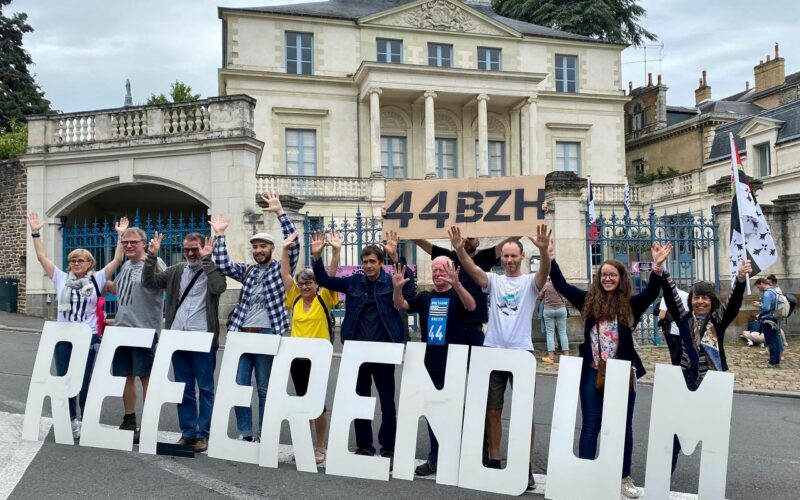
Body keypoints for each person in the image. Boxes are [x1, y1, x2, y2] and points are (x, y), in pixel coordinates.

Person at [549, 238, 672, 499]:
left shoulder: (630, 305)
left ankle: (623, 476)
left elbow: (651, 293)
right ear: (599, 278)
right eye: (604, 274)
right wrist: (548, 256)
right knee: (591, 425)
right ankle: (585, 473)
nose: (607, 278)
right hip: (593, 371)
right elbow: (561, 285)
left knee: (623, 426)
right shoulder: (587, 301)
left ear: (620, 278)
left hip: (622, 373)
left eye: (612, 275)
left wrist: (658, 267)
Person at [451, 224, 551, 491]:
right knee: (492, 411)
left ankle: (525, 466)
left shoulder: (530, 282)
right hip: (494, 351)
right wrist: (460, 250)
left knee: (524, 413)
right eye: (505, 256)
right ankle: (494, 461)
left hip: (521, 353)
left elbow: (544, 271)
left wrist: (543, 251)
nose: (508, 260)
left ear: (520, 257)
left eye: (513, 256)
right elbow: (472, 271)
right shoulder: (494, 281)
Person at [312, 230, 415, 459]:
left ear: (381, 263)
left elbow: (409, 289)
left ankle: (389, 448)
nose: (368, 265)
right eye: (365, 262)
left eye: (372, 262)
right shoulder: (354, 282)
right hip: (356, 352)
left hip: (384, 351)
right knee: (359, 401)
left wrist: (396, 257)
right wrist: (317, 258)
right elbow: (324, 280)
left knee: (387, 403)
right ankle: (364, 446)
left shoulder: (391, 281)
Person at [27, 212, 128, 439]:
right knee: (64, 379)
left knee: (83, 380)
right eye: (73, 260)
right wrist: (35, 232)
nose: (75, 263)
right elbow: (42, 257)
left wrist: (120, 237)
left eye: (80, 260)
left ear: (89, 263)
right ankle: (71, 419)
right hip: (63, 336)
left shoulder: (98, 279)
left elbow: (117, 261)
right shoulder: (61, 278)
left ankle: (85, 417)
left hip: (88, 336)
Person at [211, 192, 299, 442]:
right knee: (239, 386)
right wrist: (219, 235)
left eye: (263, 247)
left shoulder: (279, 269)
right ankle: (245, 432)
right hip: (241, 334)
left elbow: (293, 247)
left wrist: (281, 213)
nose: (258, 251)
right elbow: (222, 265)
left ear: (272, 248)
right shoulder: (248, 270)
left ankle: (265, 432)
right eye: (256, 247)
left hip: (267, 334)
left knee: (264, 387)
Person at [141, 232, 226, 453]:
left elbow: (219, 288)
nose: (190, 253)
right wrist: (151, 257)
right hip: (177, 336)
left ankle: (202, 435)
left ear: (204, 248)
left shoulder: (211, 270)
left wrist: (207, 261)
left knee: (205, 388)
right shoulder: (176, 270)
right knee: (183, 388)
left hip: (203, 338)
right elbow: (148, 282)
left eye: (195, 249)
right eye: (187, 249)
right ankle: (188, 433)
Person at [662, 260, 750, 473]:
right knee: (675, 434)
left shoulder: (717, 320)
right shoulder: (684, 319)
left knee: (714, 439)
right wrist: (663, 271)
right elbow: (672, 298)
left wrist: (739, 280)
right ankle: (664, 479)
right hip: (686, 383)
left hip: (713, 384)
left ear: (712, 301)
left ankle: (712, 482)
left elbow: (733, 305)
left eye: (705, 298)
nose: (700, 302)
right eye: (696, 297)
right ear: (691, 300)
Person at [391, 256, 476, 476]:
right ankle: (435, 457)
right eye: (435, 270)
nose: (438, 274)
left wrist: (457, 284)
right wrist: (398, 289)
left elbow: (471, 306)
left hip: (454, 363)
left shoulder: (457, 295)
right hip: (430, 363)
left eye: (442, 270)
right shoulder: (425, 297)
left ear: (451, 271)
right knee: (433, 412)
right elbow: (400, 304)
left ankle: (459, 456)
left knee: (456, 411)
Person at [280, 230, 341, 464]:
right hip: (297, 360)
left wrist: (334, 251)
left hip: (318, 359)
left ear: (317, 285)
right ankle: (305, 444)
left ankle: (319, 446)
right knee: (301, 402)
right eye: (302, 283)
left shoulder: (324, 297)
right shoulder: (294, 298)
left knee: (317, 404)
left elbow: (332, 274)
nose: (305, 286)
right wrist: (285, 249)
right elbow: (285, 273)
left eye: (309, 283)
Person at [406, 227, 518, 347]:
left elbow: (509, 242)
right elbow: (420, 242)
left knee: (476, 364)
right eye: (462, 237)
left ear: (478, 242)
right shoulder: (448, 256)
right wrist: (396, 220)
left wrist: (532, 221)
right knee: (451, 364)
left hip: (474, 325)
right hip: (451, 324)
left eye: (470, 238)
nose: (465, 240)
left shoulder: (485, 256)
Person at [113, 225, 167, 443]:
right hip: (123, 330)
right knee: (127, 376)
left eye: (133, 242)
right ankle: (129, 419)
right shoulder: (126, 264)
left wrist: (154, 257)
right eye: (125, 242)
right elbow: (122, 291)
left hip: (145, 330)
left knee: (146, 377)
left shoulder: (154, 263)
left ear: (144, 243)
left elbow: (165, 283)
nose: (129, 245)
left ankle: (149, 422)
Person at [538, 277, 569, 363]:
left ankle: (551, 358)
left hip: (548, 310)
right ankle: (566, 356)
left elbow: (540, 295)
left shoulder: (546, 285)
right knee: (563, 332)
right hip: (561, 309)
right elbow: (566, 296)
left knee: (550, 334)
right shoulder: (560, 284)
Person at [754, 277, 783, 368]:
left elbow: (766, 308)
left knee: (771, 341)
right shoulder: (774, 291)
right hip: (774, 318)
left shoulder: (767, 293)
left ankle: (772, 362)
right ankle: (776, 361)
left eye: (758, 287)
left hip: (768, 319)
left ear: (762, 283)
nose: (759, 289)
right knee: (774, 340)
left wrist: (758, 305)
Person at [658, 285, 689, 366]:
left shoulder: (667, 296)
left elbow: (662, 315)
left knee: (674, 354)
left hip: (672, 330)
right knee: (684, 354)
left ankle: (676, 372)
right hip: (685, 329)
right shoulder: (687, 295)